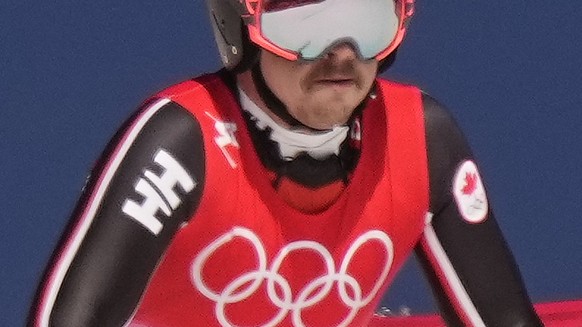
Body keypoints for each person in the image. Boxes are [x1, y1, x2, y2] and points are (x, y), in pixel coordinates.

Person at [28, 0, 544, 326]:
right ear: (241, 26)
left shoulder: (423, 136)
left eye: (367, 19)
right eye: (304, 24)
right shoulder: (182, 141)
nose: (342, 54)